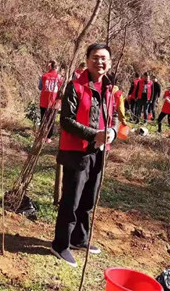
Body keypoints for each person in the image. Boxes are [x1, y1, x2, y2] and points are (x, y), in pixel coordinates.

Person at [51, 43, 118, 267]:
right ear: (87, 60)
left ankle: (80, 238)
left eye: (104, 58)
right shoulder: (76, 86)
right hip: (77, 152)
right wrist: (93, 134)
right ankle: (61, 244)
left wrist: (112, 132)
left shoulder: (110, 88)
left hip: (99, 151)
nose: (100, 62)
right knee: (71, 200)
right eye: (96, 57)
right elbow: (66, 121)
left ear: (110, 62)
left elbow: (114, 116)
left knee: (89, 199)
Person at [38, 60, 64, 143]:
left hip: (44, 101)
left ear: (49, 66)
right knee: (51, 120)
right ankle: (48, 138)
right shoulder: (60, 78)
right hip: (55, 102)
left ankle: (41, 136)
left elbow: (40, 87)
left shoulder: (44, 76)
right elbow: (62, 90)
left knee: (43, 119)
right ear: (56, 67)